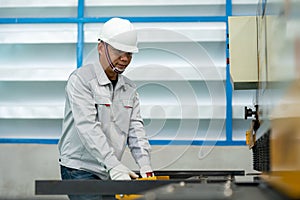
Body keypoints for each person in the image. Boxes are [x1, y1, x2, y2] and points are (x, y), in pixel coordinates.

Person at [58, 17, 153, 200]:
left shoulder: (130, 89)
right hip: (80, 169)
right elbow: (88, 127)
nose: (124, 59)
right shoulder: (81, 81)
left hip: (108, 169)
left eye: (129, 54)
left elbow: (136, 129)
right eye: (119, 51)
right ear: (101, 47)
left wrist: (145, 164)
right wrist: (113, 165)